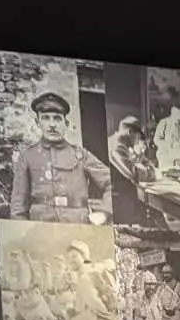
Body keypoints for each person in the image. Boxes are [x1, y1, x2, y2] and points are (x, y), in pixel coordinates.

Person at [9, 92, 107, 222]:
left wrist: (104, 213)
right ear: (38, 122)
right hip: (40, 227)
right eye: (46, 118)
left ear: (65, 123)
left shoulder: (81, 155)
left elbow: (112, 183)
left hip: (76, 225)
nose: (52, 124)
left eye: (57, 118)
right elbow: (18, 208)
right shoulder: (27, 157)